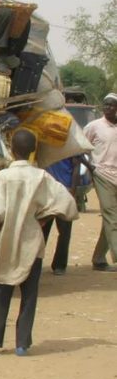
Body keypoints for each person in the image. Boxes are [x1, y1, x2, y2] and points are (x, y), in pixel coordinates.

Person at [0, 129, 78, 357]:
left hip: (7, 240)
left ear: (12, 150)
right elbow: (67, 204)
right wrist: (41, 219)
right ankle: (22, 344)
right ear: (33, 151)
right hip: (33, 241)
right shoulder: (42, 177)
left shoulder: (5, 176)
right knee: (29, 293)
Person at [84, 93, 117, 272]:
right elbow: (80, 148)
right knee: (112, 215)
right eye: (106, 105)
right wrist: (91, 168)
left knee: (110, 219)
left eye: (112, 105)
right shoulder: (94, 126)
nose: (109, 108)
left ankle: (98, 258)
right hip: (102, 174)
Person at [41, 156, 82, 275]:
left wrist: (73, 191)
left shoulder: (67, 142)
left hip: (66, 191)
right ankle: (37, 263)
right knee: (42, 231)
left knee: (64, 231)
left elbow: (76, 166)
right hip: (46, 193)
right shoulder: (45, 143)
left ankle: (59, 265)